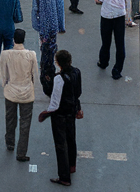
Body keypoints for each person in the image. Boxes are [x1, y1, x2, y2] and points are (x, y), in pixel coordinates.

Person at [39, 49, 82, 186]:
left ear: (58, 63)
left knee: (60, 145)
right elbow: (78, 93)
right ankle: (72, 166)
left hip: (60, 115)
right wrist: (78, 108)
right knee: (71, 139)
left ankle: (64, 177)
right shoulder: (77, 72)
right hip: (71, 112)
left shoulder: (59, 78)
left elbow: (55, 101)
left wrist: (46, 113)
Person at [0, 28, 37, 162]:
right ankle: (21, 153)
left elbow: (3, 76)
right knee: (25, 123)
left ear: (13, 39)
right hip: (27, 93)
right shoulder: (31, 55)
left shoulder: (5, 54)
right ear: (24, 39)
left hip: (11, 92)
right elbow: (35, 75)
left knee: (10, 119)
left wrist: (6, 86)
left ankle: (10, 142)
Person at [93, 0, 129, 79]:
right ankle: (117, 70)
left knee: (106, 41)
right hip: (120, 14)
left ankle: (103, 62)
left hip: (106, 15)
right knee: (120, 43)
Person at [32, 0, 66, 93]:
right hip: (53, 24)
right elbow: (60, 8)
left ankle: (44, 69)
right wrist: (61, 26)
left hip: (43, 25)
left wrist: (36, 25)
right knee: (52, 46)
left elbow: (35, 9)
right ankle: (50, 68)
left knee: (44, 46)